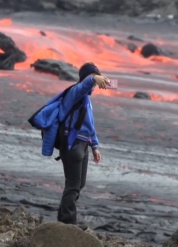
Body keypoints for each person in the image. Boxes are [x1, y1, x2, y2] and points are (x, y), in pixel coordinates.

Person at [56, 62, 111, 228]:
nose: (95, 84)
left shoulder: (86, 100)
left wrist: (95, 146)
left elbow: (90, 125)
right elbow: (84, 84)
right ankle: (68, 222)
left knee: (79, 184)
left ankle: (63, 218)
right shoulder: (75, 92)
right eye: (94, 78)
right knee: (73, 185)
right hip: (72, 143)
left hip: (83, 144)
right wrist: (94, 77)